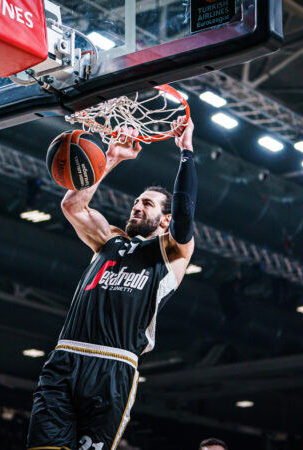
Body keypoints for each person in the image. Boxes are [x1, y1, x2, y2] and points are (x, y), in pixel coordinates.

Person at [26, 116, 197, 450]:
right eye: (136, 201)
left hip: (113, 367)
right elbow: (72, 205)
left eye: (147, 203)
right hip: (66, 356)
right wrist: (111, 157)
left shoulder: (172, 253)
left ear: (165, 220)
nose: (137, 206)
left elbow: (185, 214)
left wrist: (186, 152)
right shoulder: (110, 240)